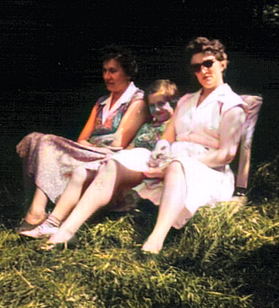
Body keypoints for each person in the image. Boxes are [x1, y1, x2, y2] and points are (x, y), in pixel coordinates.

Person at [42, 37, 245, 253]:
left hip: (208, 169)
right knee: (116, 162)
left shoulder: (232, 104)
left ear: (222, 63)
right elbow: (167, 137)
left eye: (208, 63)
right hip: (172, 160)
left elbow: (226, 155)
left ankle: (155, 242)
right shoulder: (186, 100)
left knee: (178, 167)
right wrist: (161, 150)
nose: (203, 71)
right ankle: (66, 231)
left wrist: (179, 160)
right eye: (196, 67)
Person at [19, 79, 179, 239]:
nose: (156, 110)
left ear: (173, 103)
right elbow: (130, 147)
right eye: (152, 105)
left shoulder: (173, 126)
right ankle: (52, 223)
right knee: (80, 172)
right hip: (127, 162)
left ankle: (64, 226)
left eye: (161, 104)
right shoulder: (147, 126)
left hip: (145, 169)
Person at [16, 46, 148, 232]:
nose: (107, 76)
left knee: (47, 142)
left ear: (127, 73)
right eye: (105, 71)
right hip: (88, 152)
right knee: (35, 139)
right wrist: (87, 144)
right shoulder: (102, 102)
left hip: (111, 158)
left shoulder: (137, 99)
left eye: (113, 71)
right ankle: (37, 209)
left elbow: (118, 142)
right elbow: (82, 139)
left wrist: (89, 144)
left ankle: (37, 214)